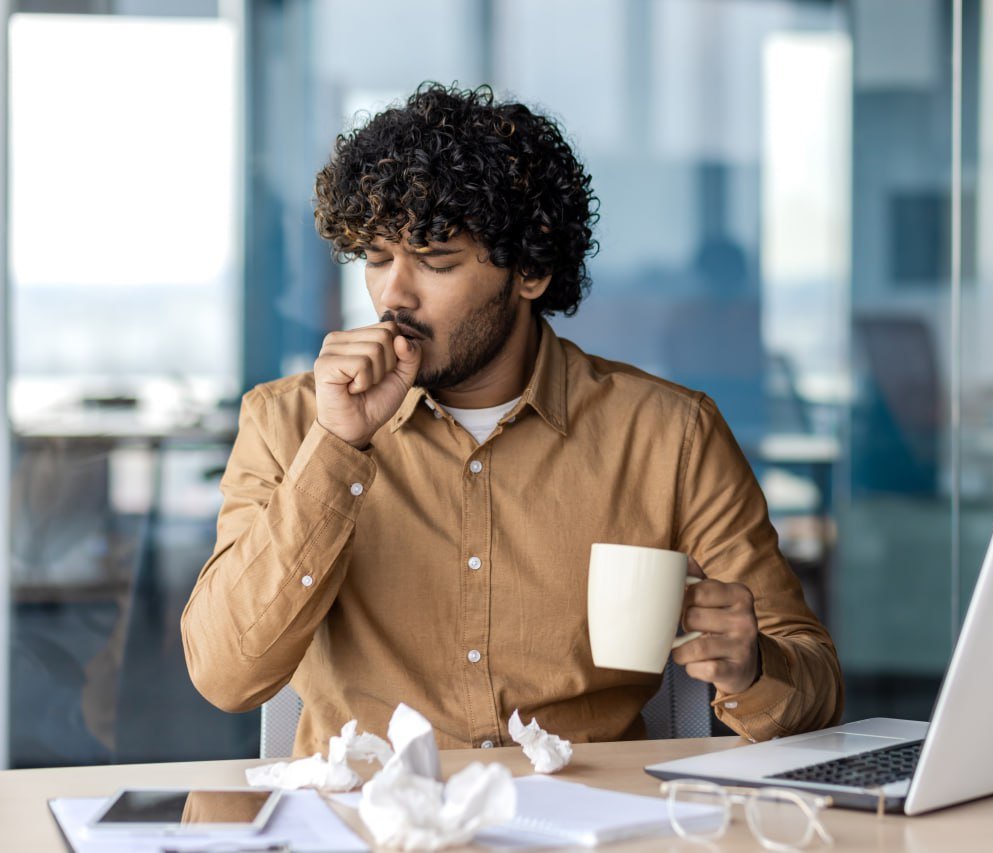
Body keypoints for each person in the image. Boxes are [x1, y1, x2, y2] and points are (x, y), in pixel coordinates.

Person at [181, 83, 842, 754]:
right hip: (368, 822)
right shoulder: (289, 423)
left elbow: (814, 681)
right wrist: (336, 447)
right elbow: (224, 675)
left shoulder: (669, 435)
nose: (393, 294)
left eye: (435, 259)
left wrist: (754, 665)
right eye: (377, 259)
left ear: (529, 268)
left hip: (593, 821)